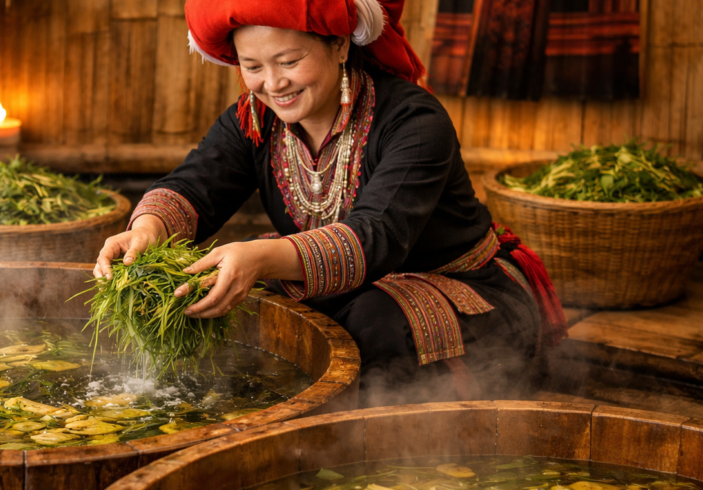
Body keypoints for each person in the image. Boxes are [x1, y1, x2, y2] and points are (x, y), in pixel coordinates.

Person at [94, 0, 567, 406]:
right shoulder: (254, 119)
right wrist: (148, 229)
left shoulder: (414, 120)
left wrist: (261, 257)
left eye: (288, 61)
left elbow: (377, 237)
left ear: (340, 45)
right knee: (231, 294)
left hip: (460, 288)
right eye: (253, 67)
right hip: (349, 287)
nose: (273, 84)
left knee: (371, 319)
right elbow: (196, 184)